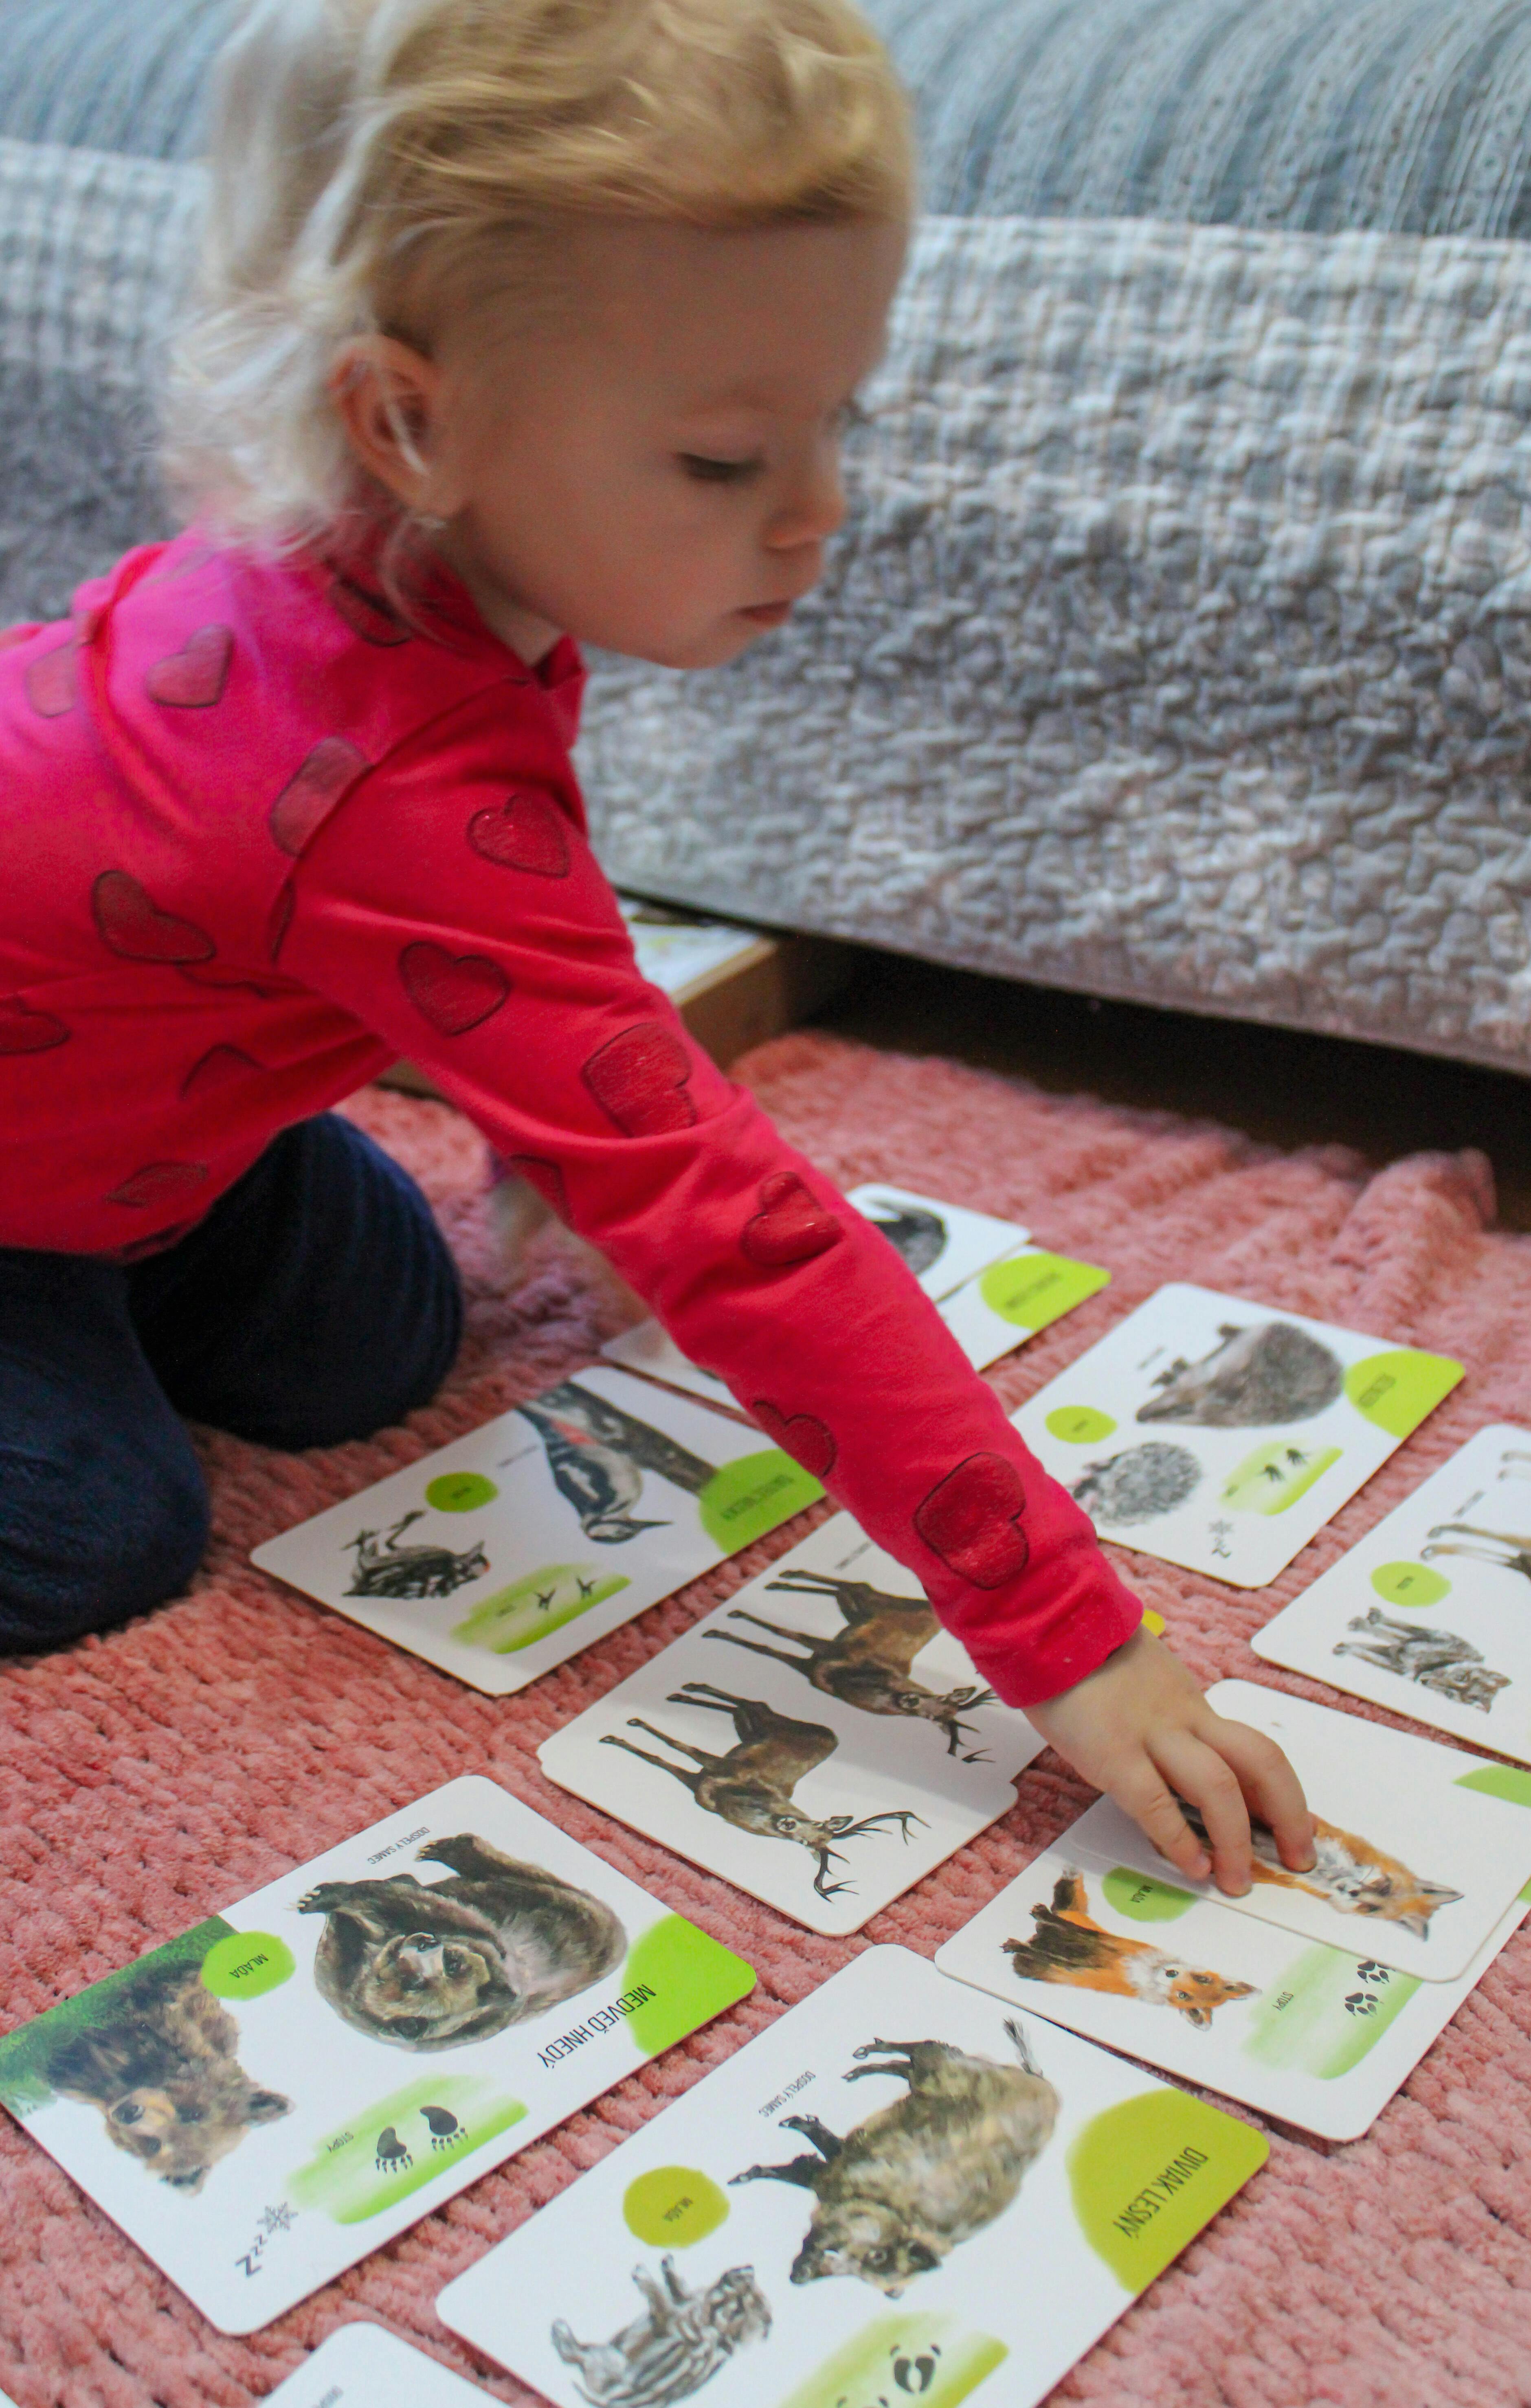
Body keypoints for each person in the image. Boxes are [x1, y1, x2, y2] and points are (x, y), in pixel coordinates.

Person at [0, 0, 1311, 1895]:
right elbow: (742, 1230)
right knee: (97, 1533)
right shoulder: (379, 773)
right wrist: (1076, 1644)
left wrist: (539, 1106)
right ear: (407, 421)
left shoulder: (387, 573)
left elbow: (448, 923)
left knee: (386, 1344)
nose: (819, 511)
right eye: (721, 460)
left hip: (133, 1127)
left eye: (837, 421)